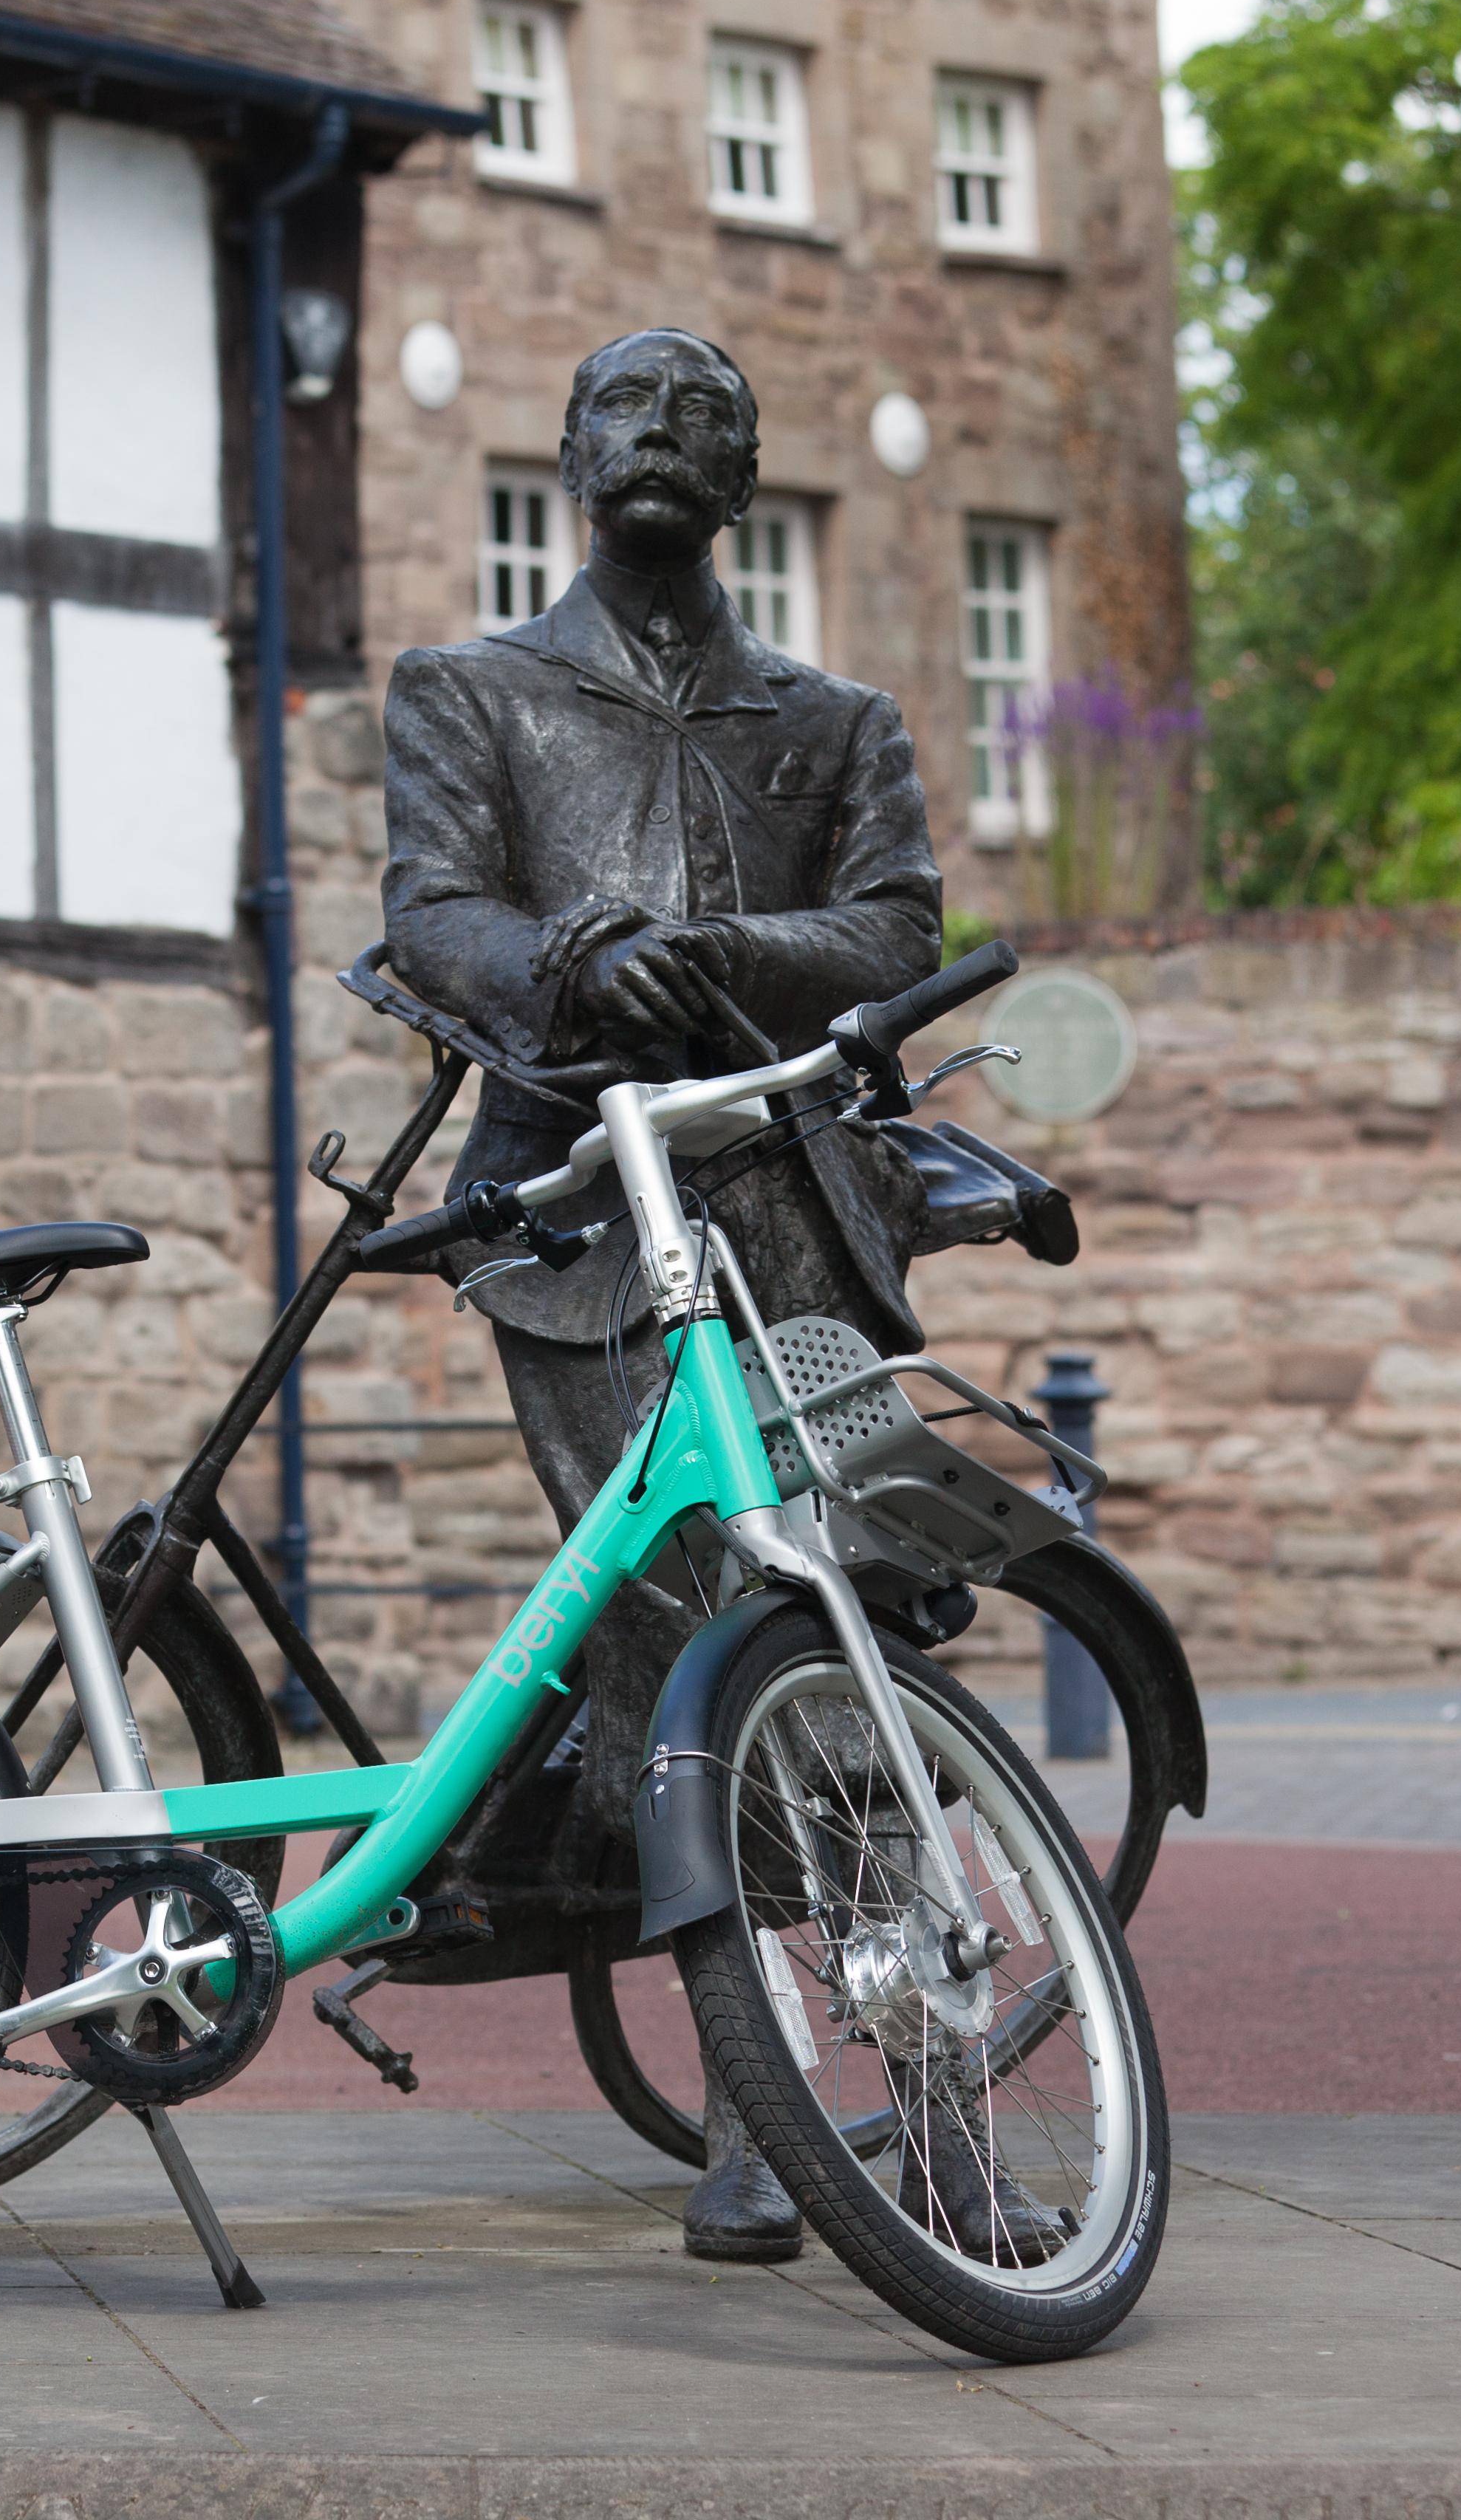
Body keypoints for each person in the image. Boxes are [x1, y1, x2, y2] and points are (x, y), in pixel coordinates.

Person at [380, 327, 942, 2262]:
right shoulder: (472, 692)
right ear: (571, 450)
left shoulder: (834, 717)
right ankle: (750, 2112)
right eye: (632, 409)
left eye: (706, 420)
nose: (665, 440)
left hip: (801, 1225)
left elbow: (895, 927)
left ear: (747, 473)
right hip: (584, 1245)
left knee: (856, 1639)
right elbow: (430, 918)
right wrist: (564, 968)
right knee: (671, 1648)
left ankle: (929, 2091)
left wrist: (718, 956)